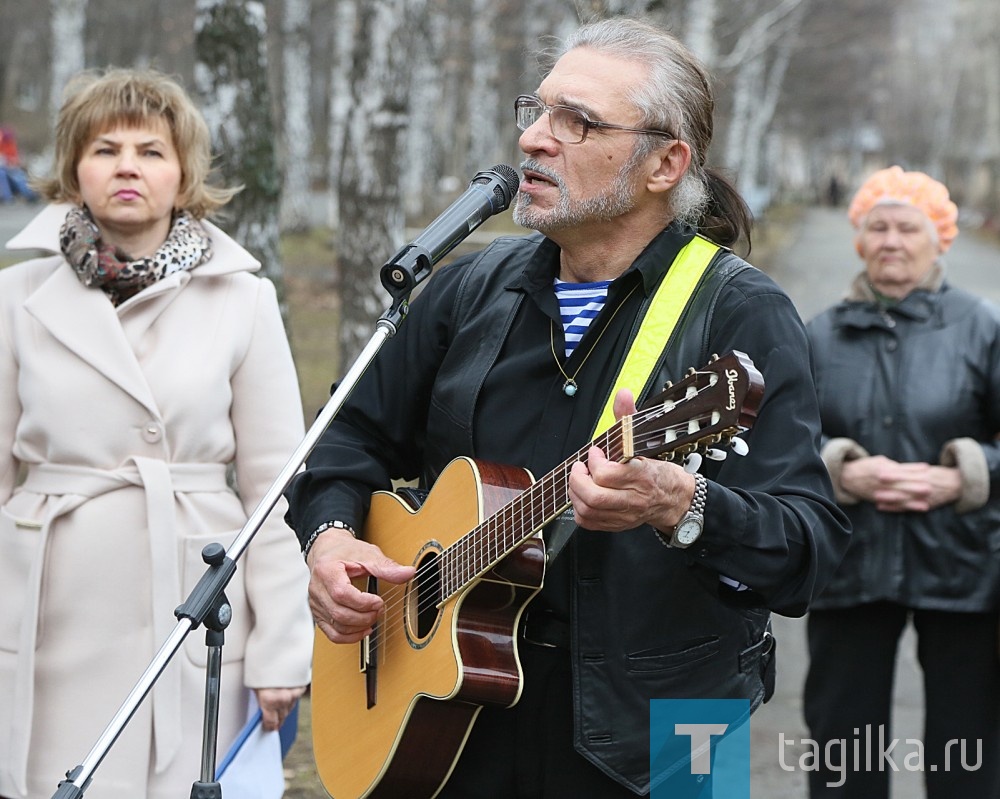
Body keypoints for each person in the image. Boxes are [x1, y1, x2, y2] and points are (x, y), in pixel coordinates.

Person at [285, 16, 850, 799]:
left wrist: (686, 503)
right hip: (452, 718)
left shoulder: (742, 314)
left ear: (665, 163)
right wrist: (330, 537)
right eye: (539, 111)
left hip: (668, 734)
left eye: (577, 122)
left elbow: (810, 551)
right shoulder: (469, 288)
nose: (535, 141)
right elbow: (347, 437)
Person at [0, 68, 313, 799]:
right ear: (75, 168)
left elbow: (276, 492)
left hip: (189, 601)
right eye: (105, 150)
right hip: (43, 595)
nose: (128, 167)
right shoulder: (15, 295)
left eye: (151, 151)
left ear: (184, 173)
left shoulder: (243, 297)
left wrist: (281, 646)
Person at [803, 166, 1000, 797]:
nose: (892, 240)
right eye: (877, 227)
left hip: (964, 563)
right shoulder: (819, 334)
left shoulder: (980, 327)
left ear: (939, 237)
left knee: (967, 745)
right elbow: (780, 442)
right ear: (859, 239)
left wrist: (967, 474)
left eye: (907, 227)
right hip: (849, 560)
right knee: (842, 741)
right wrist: (840, 465)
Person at [0, 126, 39, 204]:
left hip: (11, 167)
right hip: (3, 168)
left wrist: (13, 162)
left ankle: (30, 194)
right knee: (2, 175)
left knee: (20, 176)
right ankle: (7, 197)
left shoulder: (11, 145)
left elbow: (15, 159)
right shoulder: (2, 145)